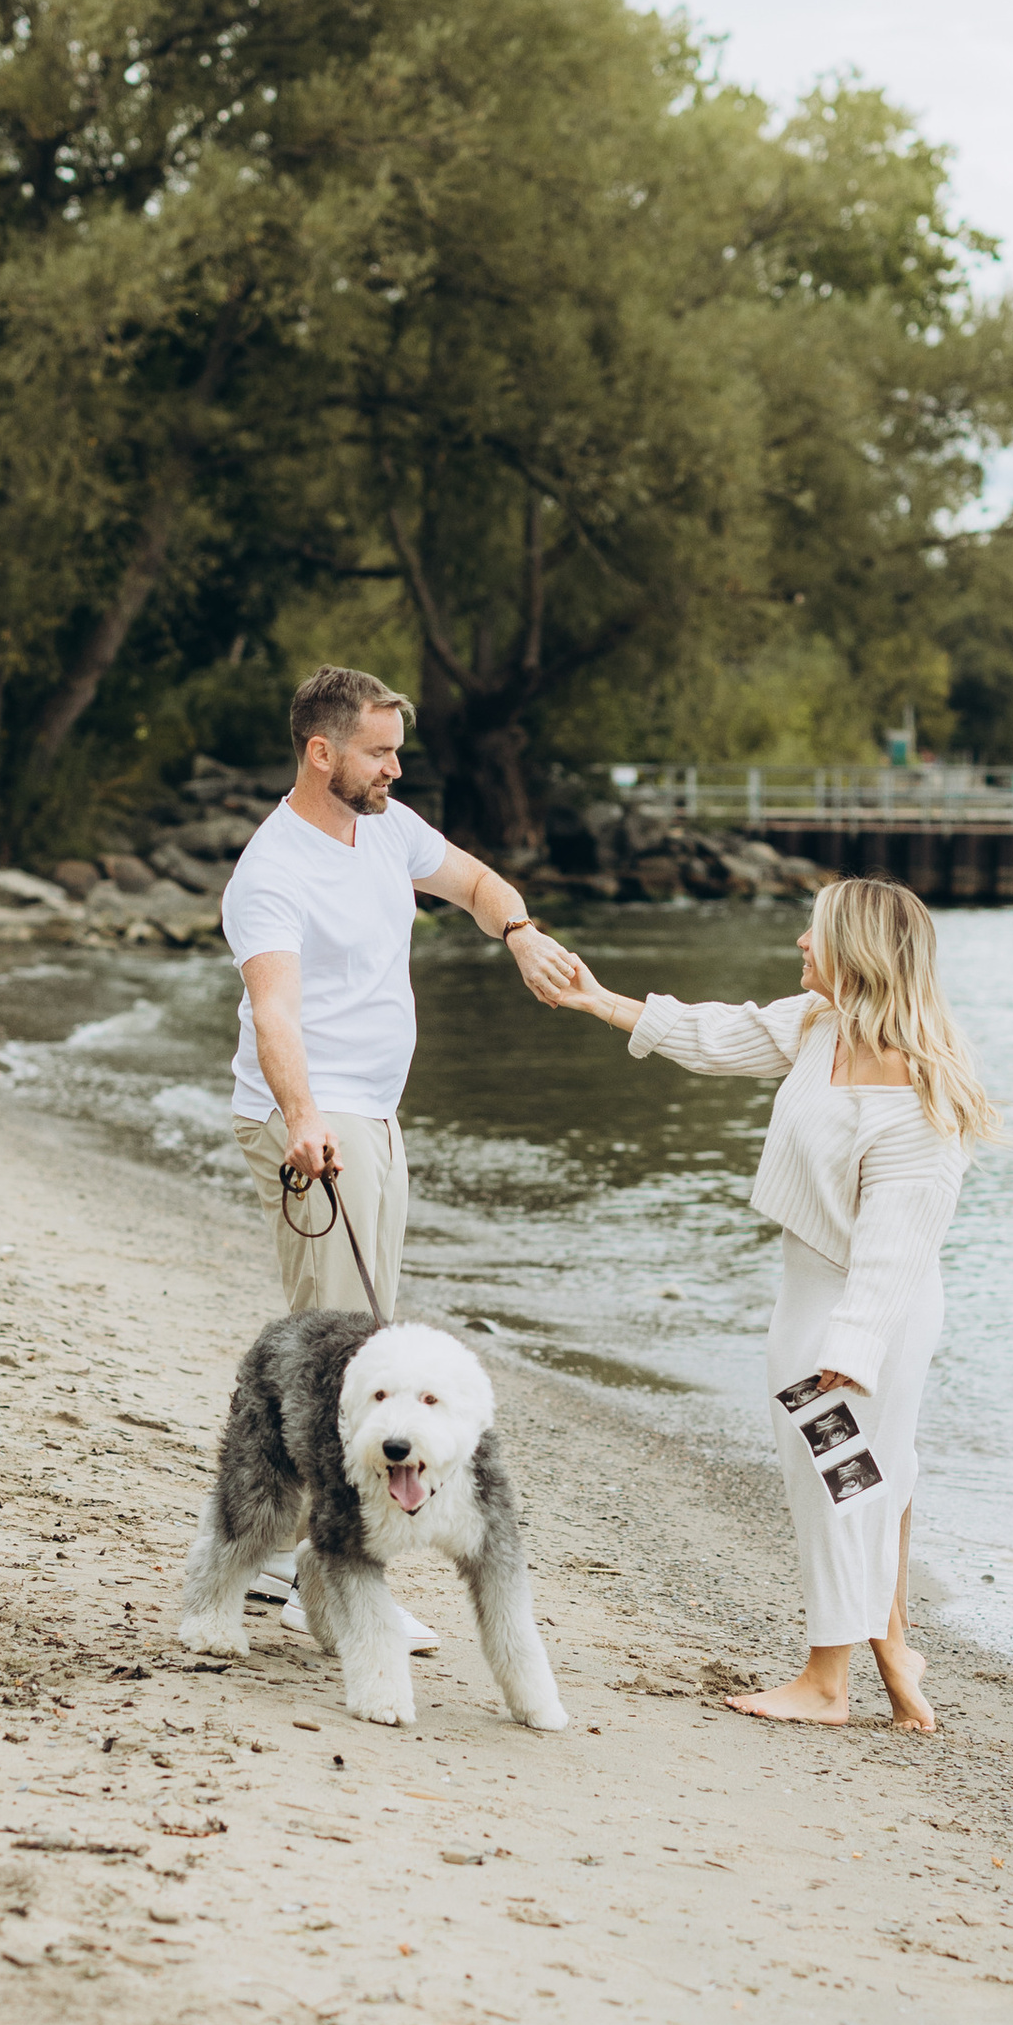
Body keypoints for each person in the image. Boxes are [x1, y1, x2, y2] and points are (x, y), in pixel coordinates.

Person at [547, 877, 994, 1732]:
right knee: (876, 1477)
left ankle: (830, 1682)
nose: (798, 943)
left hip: (868, 1314)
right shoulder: (817, 1028)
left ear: (857, 952)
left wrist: (852, 1350)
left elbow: (897, 1251)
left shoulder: (916, 1099)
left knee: (840, 1478)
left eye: (813, 932)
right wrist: (599, 1000)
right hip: (811, 1293)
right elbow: (719, 1034)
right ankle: (893, 1649)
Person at [220, 665, 578, 1628]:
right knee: (342, 1361)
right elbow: (274, 1012)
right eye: (378, 752)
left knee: (363, 1343)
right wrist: (304, 1121)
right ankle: (326, 1584)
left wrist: (522, 935)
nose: (396, 766)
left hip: (375, 1116)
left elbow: (472, 881)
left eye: (396, 747)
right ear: (320, 751)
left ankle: (287, 1562)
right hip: (315, 1125)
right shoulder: (271, 873)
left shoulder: (387, 827)